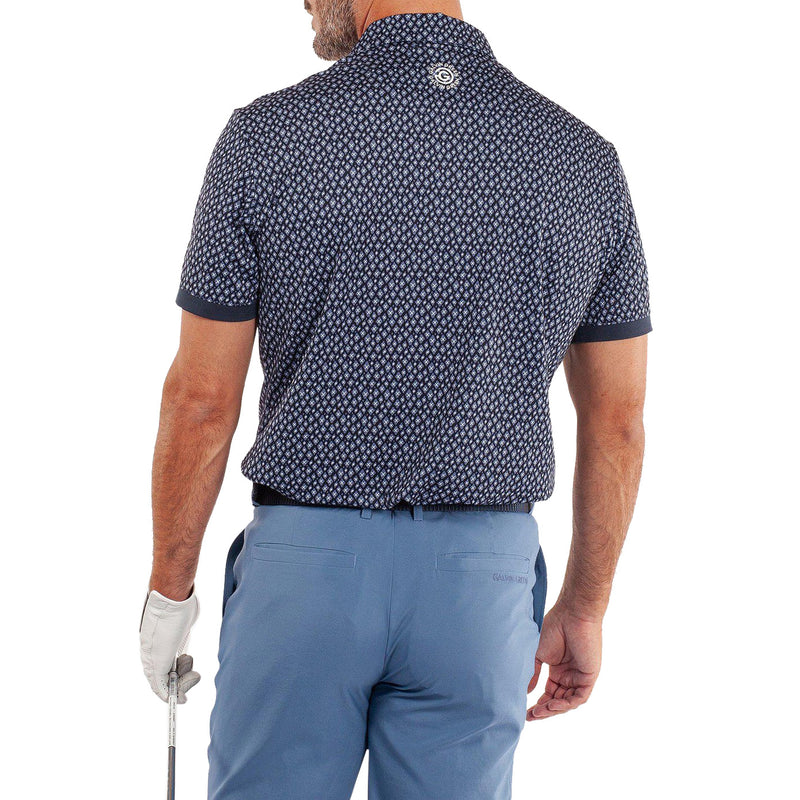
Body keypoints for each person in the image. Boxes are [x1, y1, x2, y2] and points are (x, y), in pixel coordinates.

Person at [139, 1, 651, 797]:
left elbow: (202, 400)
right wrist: (584, 606)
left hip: (306, 572)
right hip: (482, 586)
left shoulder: (267, 140)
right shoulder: (581, 160)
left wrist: (169, 594)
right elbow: (617, 421)